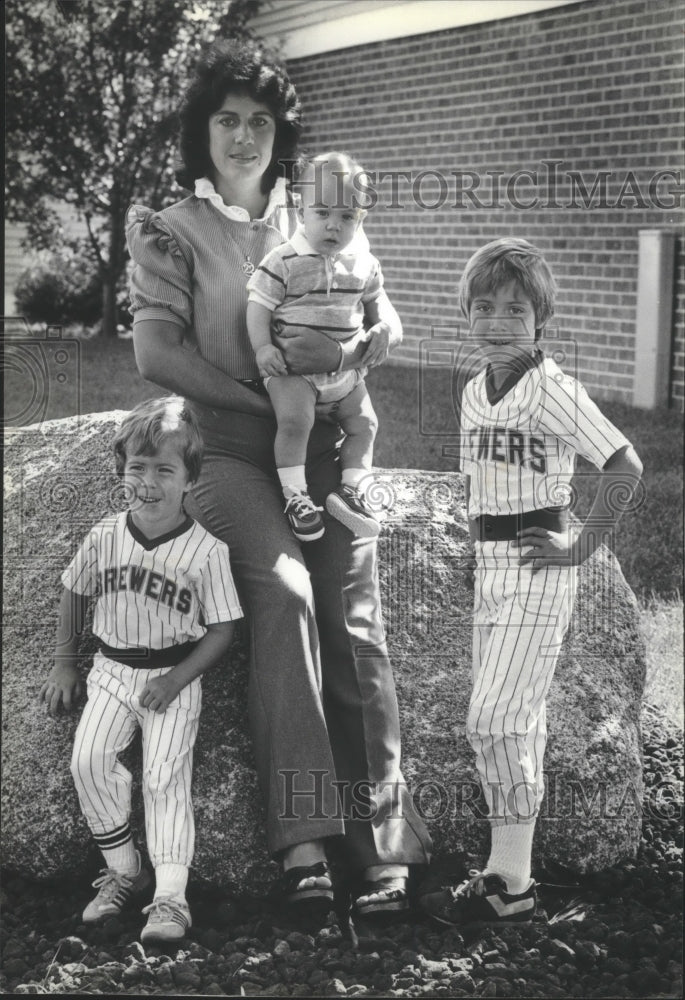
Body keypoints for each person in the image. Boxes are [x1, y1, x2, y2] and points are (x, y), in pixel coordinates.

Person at [126, 38, 431, 919]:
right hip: (226, 455)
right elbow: (154, 353)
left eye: (260, 123)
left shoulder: (317, 219)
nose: (244, 137)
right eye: (227, 120)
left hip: (326, 454)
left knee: (354, 615)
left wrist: (382, 335)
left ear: (279, 137)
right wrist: (264, 408)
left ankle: (379, 845)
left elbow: (380, 299)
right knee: (290, 594)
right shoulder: (171, 229)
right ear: (202, 132)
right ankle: (302, 841)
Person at [420, 238, 643, 926]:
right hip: (490, 564)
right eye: (481, 307)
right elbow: (478, 483)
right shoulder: (472, 390)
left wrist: (578, 550)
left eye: (512, 310)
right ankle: (506, 876)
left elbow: (623, 466)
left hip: (538, 565)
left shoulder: (551, 389)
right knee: (519, 725)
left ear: (538, 320)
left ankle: (508, 882)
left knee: (494, 720)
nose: (493, 322)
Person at [39, 397, 243, 943]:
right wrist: (65, 663)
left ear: (189, 479)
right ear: (121, 472)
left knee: (164, 780)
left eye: (164, 469)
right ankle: (123, 871)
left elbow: (223, 629)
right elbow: (73, 592)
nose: (148, 481)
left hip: (174, 677)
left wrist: (178, 679)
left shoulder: (206, 551)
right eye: (137, 467)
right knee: (89, 760)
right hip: (109, 668)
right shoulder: (106, 534)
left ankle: (171, 899)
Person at [246, 151, 396, 542]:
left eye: (347, 216)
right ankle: (296, 497)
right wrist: (263, 348)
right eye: (323, 212)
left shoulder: (363, 264)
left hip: (346, 374)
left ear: (361, 219)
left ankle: (352, 490)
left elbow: (378, 305)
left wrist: (381, 325)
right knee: (296, 423)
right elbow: (258, 307)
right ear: (301, 211)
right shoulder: (284, 261)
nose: (334, 225)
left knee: (366, 425)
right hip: (294, 373)